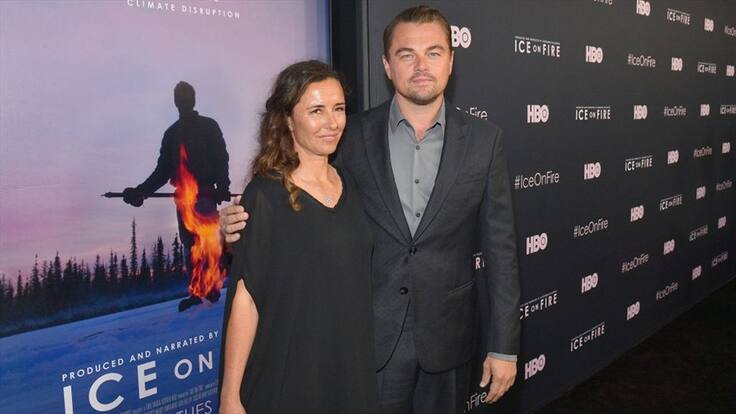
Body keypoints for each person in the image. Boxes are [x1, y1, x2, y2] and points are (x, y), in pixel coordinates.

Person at [220, 6, 520, 413]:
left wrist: (503, 347)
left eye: (433, 52)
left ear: (451, 61)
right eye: (406, 54)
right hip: (364, 343)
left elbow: (501, 251)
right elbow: (298, 197)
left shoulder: (485, 141)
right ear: (386, 65)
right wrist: (238, 222)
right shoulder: (349, 135)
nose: (421, 66)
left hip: (448, 339)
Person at [218, 60, 378, 414]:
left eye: (339, 109)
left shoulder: (352, 185)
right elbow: (246, 300)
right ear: (288, 120)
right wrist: (230, 395)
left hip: (350, 368)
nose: (332, 122)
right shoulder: (264, 195)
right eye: (316, 111)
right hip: (290, 373)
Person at [123, 81, 230, 309]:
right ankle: (196, 292)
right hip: (184, 199)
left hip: (206, 194)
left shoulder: (208, 126)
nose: (183, 101)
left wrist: (223, 185)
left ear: (193, 99)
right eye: (179, 98)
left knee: (207, 241)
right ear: (175, 102)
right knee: (189, 244)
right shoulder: (171, 135)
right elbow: (162, 171)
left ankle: (211, 288)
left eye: (186, 96)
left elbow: (221, 157)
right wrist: (141, 192)